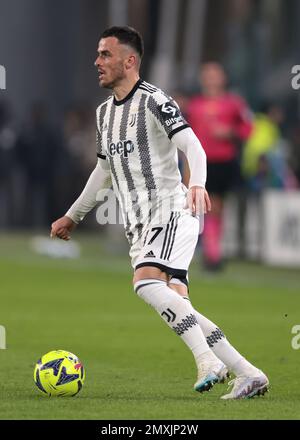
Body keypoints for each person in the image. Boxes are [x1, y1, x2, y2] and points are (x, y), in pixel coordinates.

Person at [51, 26, 268, 399]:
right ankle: (248, 373)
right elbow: (102, 172)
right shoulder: (104, 114)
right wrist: (74, 215)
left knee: (145, 284)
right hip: (141, 227)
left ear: (129, 61)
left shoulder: (155, 101)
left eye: (105, 54)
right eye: (98, 54)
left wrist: (197, 183)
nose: (97, 62)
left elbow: (192, 145)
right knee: (180, 306)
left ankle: (208, 361)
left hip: (169, 212)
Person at [186, 62, 253, 270]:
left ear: (223, 78)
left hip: (225, 162)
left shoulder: (234, 103)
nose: (211, 79)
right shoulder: (194, 105)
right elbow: (185, 138)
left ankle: (213, 251)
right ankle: (212, 255)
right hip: (203, 163)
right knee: (210, 206)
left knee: (219, 208)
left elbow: (248, 128)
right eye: (207, 75)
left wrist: (230, 132)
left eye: (215, 75)